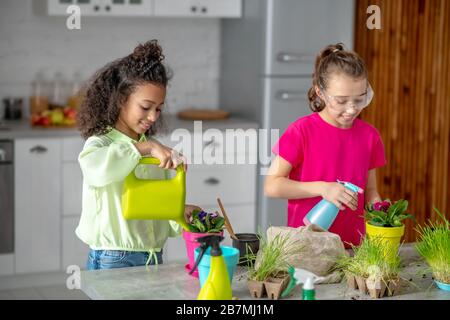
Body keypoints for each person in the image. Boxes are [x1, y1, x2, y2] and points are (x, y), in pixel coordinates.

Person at [76, 40, 202, 270]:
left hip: (152, 256)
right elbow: (98, 172)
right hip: (115, 258)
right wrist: (146, 148)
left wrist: (179, 212)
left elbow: (153, 208)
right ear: (121, 100)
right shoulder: (101, 144)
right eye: (146, 107)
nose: (153, 117)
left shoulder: (153, 149)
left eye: (159, 108)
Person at [264, 43, 386, 247]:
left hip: (353, 248)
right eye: (341, 101)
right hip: (307, 248)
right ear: (321, 92)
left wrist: (381, 211)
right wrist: (323, 188)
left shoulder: (369, 136)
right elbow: (272, 185)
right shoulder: (301, 132)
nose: (351, 109)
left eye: (359, 99)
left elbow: (370, 190)